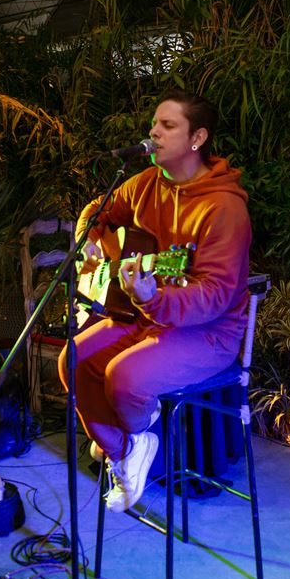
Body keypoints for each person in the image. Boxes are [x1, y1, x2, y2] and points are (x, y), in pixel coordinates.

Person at [58, 88, 251, 512]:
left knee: (124, 377)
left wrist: (153, 298)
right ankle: (124, 448)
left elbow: (215, 294)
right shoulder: (146, 183)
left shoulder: (223, 208)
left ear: (196, 138)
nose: (154, 133)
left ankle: (135, 438)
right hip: (146, 313)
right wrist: (88, 240)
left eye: (168, 126)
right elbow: (98, 209)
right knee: (72, 359)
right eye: (154, 124)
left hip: (208, 332)